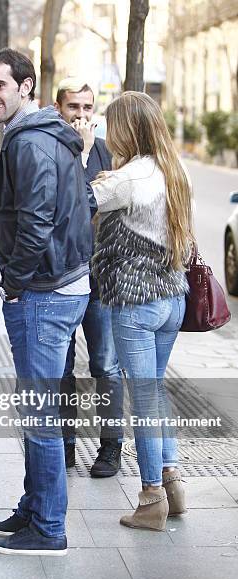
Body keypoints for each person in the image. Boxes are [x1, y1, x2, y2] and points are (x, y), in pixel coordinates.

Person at [0, 49, 91, 555]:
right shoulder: (46, 135)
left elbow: (38, 218)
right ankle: (34, 504)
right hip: (57, 283)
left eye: (0, 86)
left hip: (44, 291)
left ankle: (48, 528)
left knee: (41, 415)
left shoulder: (31, 143)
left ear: (26, 87)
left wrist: (16, 280)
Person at [91, 91, 193, 531]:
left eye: (109, 126)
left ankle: (151, 497)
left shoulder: (125, 179)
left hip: (136, 301)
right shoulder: (176, 170)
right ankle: (172, 483)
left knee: (145, 399)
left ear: (125, 129)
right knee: (156, 391)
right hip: (173, 298)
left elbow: (77, 200)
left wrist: (79, 153)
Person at [55, 78, 124, 476]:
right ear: (58, 108)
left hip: (99, 279)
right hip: (62, 277)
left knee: (106, 365)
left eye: (86, 108)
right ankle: (65, 446)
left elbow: (99, 208)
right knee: (62, 368)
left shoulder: (105, 152)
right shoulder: (52, 149)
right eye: (73, 108)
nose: (81, 116)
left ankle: (110, 447)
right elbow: (70, 207)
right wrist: (79, 161)